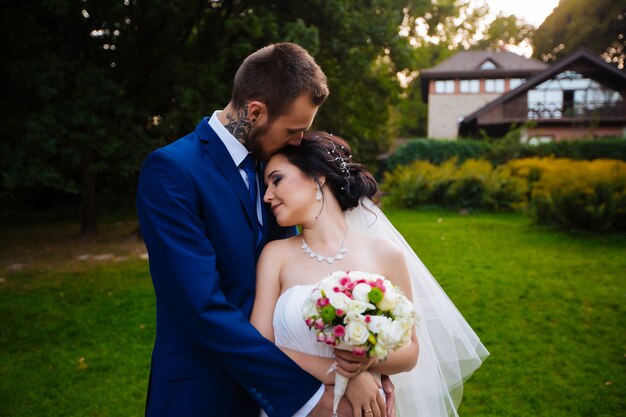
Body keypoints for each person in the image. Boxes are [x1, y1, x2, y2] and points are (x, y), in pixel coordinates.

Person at [136, 42, 392, 417]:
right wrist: (309, 397)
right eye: (294, 129)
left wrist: (353, 370)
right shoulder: (173, 171)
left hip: (282, 382)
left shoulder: (275, 171)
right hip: (205, 393)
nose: (300, 141)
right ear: (255, 112)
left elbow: (309, 272)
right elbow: (201, 308)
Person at [251, 132, 490, 417]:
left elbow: (411, 350)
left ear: (318, 176)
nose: (267, 196)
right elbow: (259, 347)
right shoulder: (275, 255)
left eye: (276, 179)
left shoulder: (386, 254)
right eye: (266, 185)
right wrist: (343, 375)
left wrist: (366, 362)